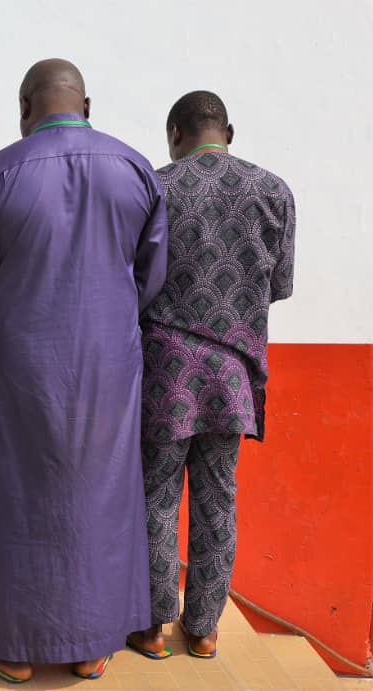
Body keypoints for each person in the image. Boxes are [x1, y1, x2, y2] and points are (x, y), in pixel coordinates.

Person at [0, 59, 169, 682]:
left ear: (25, 108)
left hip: (21, 361)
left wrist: (0, 344)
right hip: (109, 362)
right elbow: (150, 275)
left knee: (15, 495)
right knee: (102, 492)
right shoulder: (135, 169)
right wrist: (111, 325)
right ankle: (91, 645)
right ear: (86, 105)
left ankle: (11, 650)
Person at [126, 91, 296, 661]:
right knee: (218, 496)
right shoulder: (274, 191)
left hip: (166, 370)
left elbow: (134, 279)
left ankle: (151, 627)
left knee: (156, 494)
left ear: (176, 133)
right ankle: (202, 630)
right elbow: (279, 285)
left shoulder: (157, 187)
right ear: (229, 132)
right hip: (233, 372)